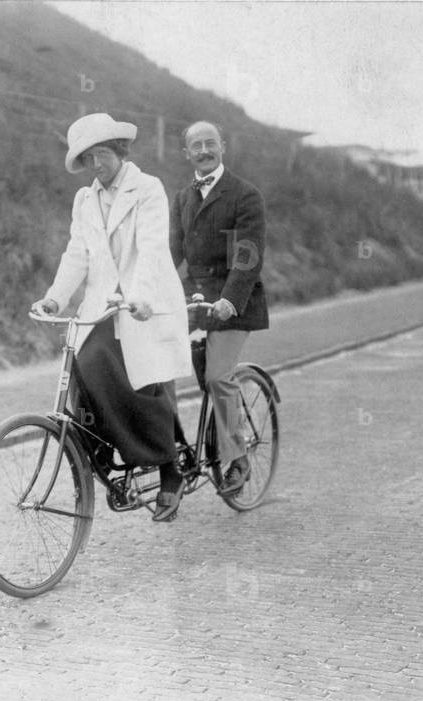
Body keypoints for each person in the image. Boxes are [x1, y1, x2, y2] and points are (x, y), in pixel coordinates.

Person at [35, 113, 192, 523]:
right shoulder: (85, 200)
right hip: (102, 307)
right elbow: (78, 255)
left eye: (101, 155)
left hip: (144, 304)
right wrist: (56, 298)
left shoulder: (147, 189)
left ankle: (169, 468)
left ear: (119, 151)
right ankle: (104, 453)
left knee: (132, 377)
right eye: (88, 159)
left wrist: (138, 296)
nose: (96, 166)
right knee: (83, 368)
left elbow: (153, 249)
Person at [169, 121, 269, 495]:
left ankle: (237, 457)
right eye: (197, 145)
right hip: (194, 302)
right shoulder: (182, 198)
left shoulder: (245, 195)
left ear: (222, 147)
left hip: (233, 303)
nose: (204, 150)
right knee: (157, 369)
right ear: (187, 153)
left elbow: (248, 254)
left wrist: (229, 298)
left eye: (211, 143)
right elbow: (171, 255)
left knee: (216, 377)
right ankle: (171, 459)